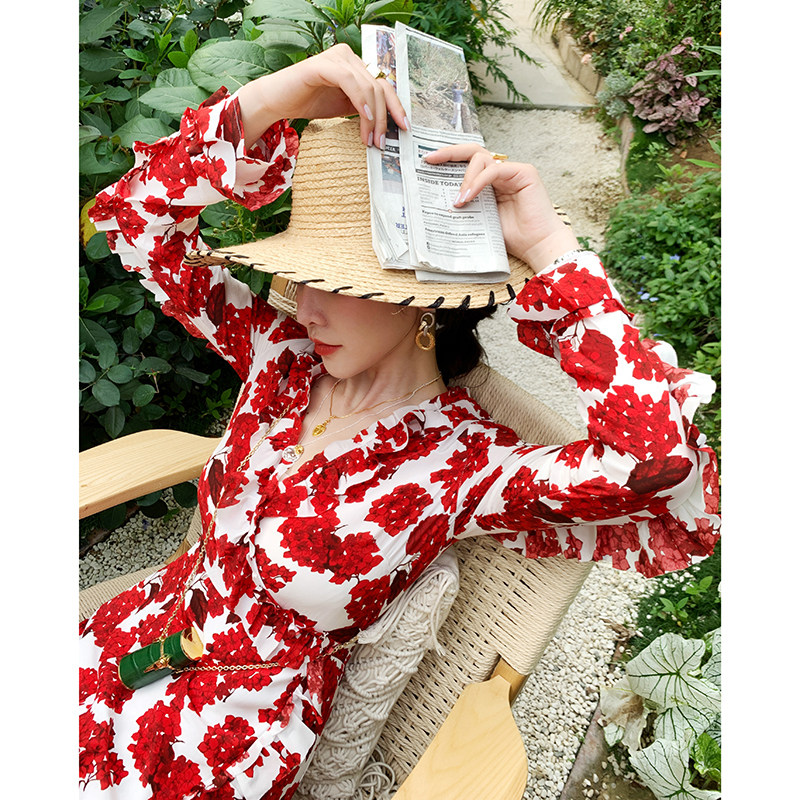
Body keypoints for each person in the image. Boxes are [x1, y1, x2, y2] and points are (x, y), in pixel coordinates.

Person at [79, 43, 719, 799]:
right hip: (129, 646)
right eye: (299, 275)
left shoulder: (464, 466)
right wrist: (279, 95)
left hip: (223, 742)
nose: (302, 305)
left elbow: (655, 463)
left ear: (420, 296)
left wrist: (551, 248)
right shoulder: (280, 354)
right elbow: (138, 222)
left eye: (334, 282)